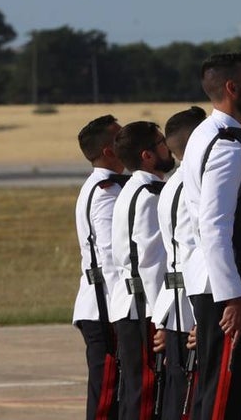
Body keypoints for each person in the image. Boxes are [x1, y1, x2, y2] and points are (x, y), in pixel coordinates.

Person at [182, 53, 241, 420]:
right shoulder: (225, 147)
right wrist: (234, 296)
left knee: (214, 394)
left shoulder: (207, 134)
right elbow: (213, 225)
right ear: (232, 88)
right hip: (226, 288)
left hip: (215, 283)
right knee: (222, 400)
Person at [110, 121, 175, 420]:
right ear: (147, 155)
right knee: (146, 398)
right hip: (143, 309)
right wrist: (162, 319)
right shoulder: (149, 196)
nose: (168, 147)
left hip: (132, 306)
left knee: (136, 396)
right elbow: (150, 263)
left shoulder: (135, 189)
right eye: (162, 142)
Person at [151, 106, 206, 420]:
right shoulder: (193, 186)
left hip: (172, 306)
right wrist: (202, 315)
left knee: (175, 398)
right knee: (189, 402)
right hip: (189, 308)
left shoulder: (172, 184)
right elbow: (193, 253)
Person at [73, 115, 126, 420]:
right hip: (104, 308)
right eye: (120, 139)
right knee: (107, 395)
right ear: (108, 150)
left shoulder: (111, 186)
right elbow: (111, 257)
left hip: (105, 306)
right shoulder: (105, 191)